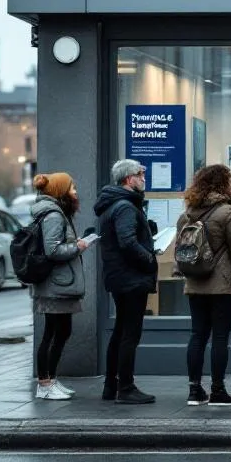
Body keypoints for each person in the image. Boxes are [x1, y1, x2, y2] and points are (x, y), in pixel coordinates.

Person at [179, 164, 231, 407]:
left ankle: (194, 390)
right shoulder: (227, 212)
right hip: (222, 284)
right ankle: (218, 390)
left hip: (195, 283)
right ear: (223, 184)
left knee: (197, 335)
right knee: (220, 337)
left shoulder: (188, 212)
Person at [95, 159, 159, 405]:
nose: (144, 176)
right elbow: (128, 242)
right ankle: (126, 387)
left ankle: (111, 385)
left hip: (120, 276)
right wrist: (149, 259)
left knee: (121, 330)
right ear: (127, 179)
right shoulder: (124, 206)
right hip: (130, 278)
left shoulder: (115, 204)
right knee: (129, 333)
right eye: (140, 173)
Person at [29, 172, 89, 401]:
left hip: (59, 283)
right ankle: (44, 383)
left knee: (62, 331)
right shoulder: (53, 215)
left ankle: (51, 380)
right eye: (71, 187)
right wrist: (79, 246)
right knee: (52, 333)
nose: (75, 191)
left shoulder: (56, 212)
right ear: (60, 190)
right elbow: (52, 250)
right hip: (55, 284)